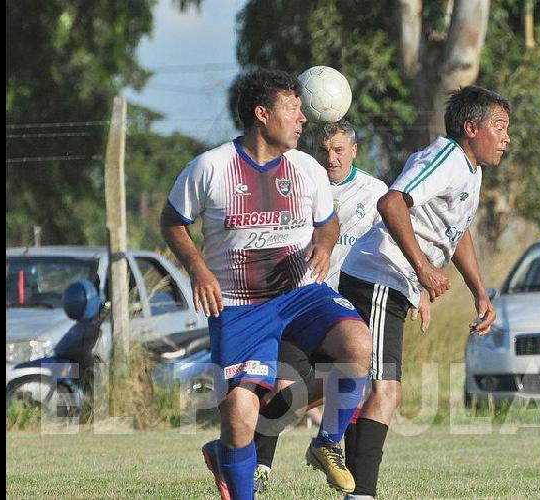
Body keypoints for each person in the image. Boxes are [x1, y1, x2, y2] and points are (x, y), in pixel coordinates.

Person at [160, 69, 373, 500]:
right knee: (240, 412)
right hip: (239, 305)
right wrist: (200, 270)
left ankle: (327, 441)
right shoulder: (210, 167)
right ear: (262, 114)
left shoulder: (306, 170)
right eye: (293, 109)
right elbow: (172, 222)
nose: (302, 119)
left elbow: (327, 224)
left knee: (358, 344)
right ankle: (234, 470)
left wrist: (326, 247)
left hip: (300, 294)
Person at [335, 85, 512, 500]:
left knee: (364, 385)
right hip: (379, 274)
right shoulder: (447, 157)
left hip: (391, 281)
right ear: (471, 128)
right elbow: (392, 202)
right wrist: (424, 269)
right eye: (499, 127)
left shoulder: (471, 170)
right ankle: (360, 493)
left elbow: (457, 231)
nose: (507, 138)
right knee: (385, 389)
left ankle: (349, 482)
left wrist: (479, 291)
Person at [249, 120, 432, 493]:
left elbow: (397, 242)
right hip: (303, 303)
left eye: (337, 151)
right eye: (323, 151)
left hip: (355, 304)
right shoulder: (298, 184)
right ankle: (259, 467)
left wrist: (419, 290)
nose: (330, 158)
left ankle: (347, 474)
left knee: (357, 385)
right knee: (290, 387)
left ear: (353, 151)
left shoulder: (375, 192)